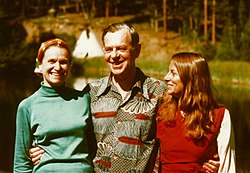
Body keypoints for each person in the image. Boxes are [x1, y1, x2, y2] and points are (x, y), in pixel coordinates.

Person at [29, 24, 220, 173]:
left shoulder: (160, 92)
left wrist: (208, 156)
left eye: (121, 49)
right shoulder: (90, 92)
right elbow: (71, 131)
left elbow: (190, 119)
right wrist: (43, 149)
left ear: (136, 50)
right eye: (108, 49)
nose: (114, 56)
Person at [13, 38, 95, 173]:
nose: (57, 67)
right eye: (51, 61)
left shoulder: (84, 99)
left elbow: (94, 146)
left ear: (69, 66)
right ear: (39, 65)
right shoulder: (27, 106)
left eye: (63, 62)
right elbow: (21, 163)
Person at [156, 52, 236, 172]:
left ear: (190, 78)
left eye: (173, 73)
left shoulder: (219, 115)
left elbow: (227, 168)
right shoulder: (162, 112)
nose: (166, 77)